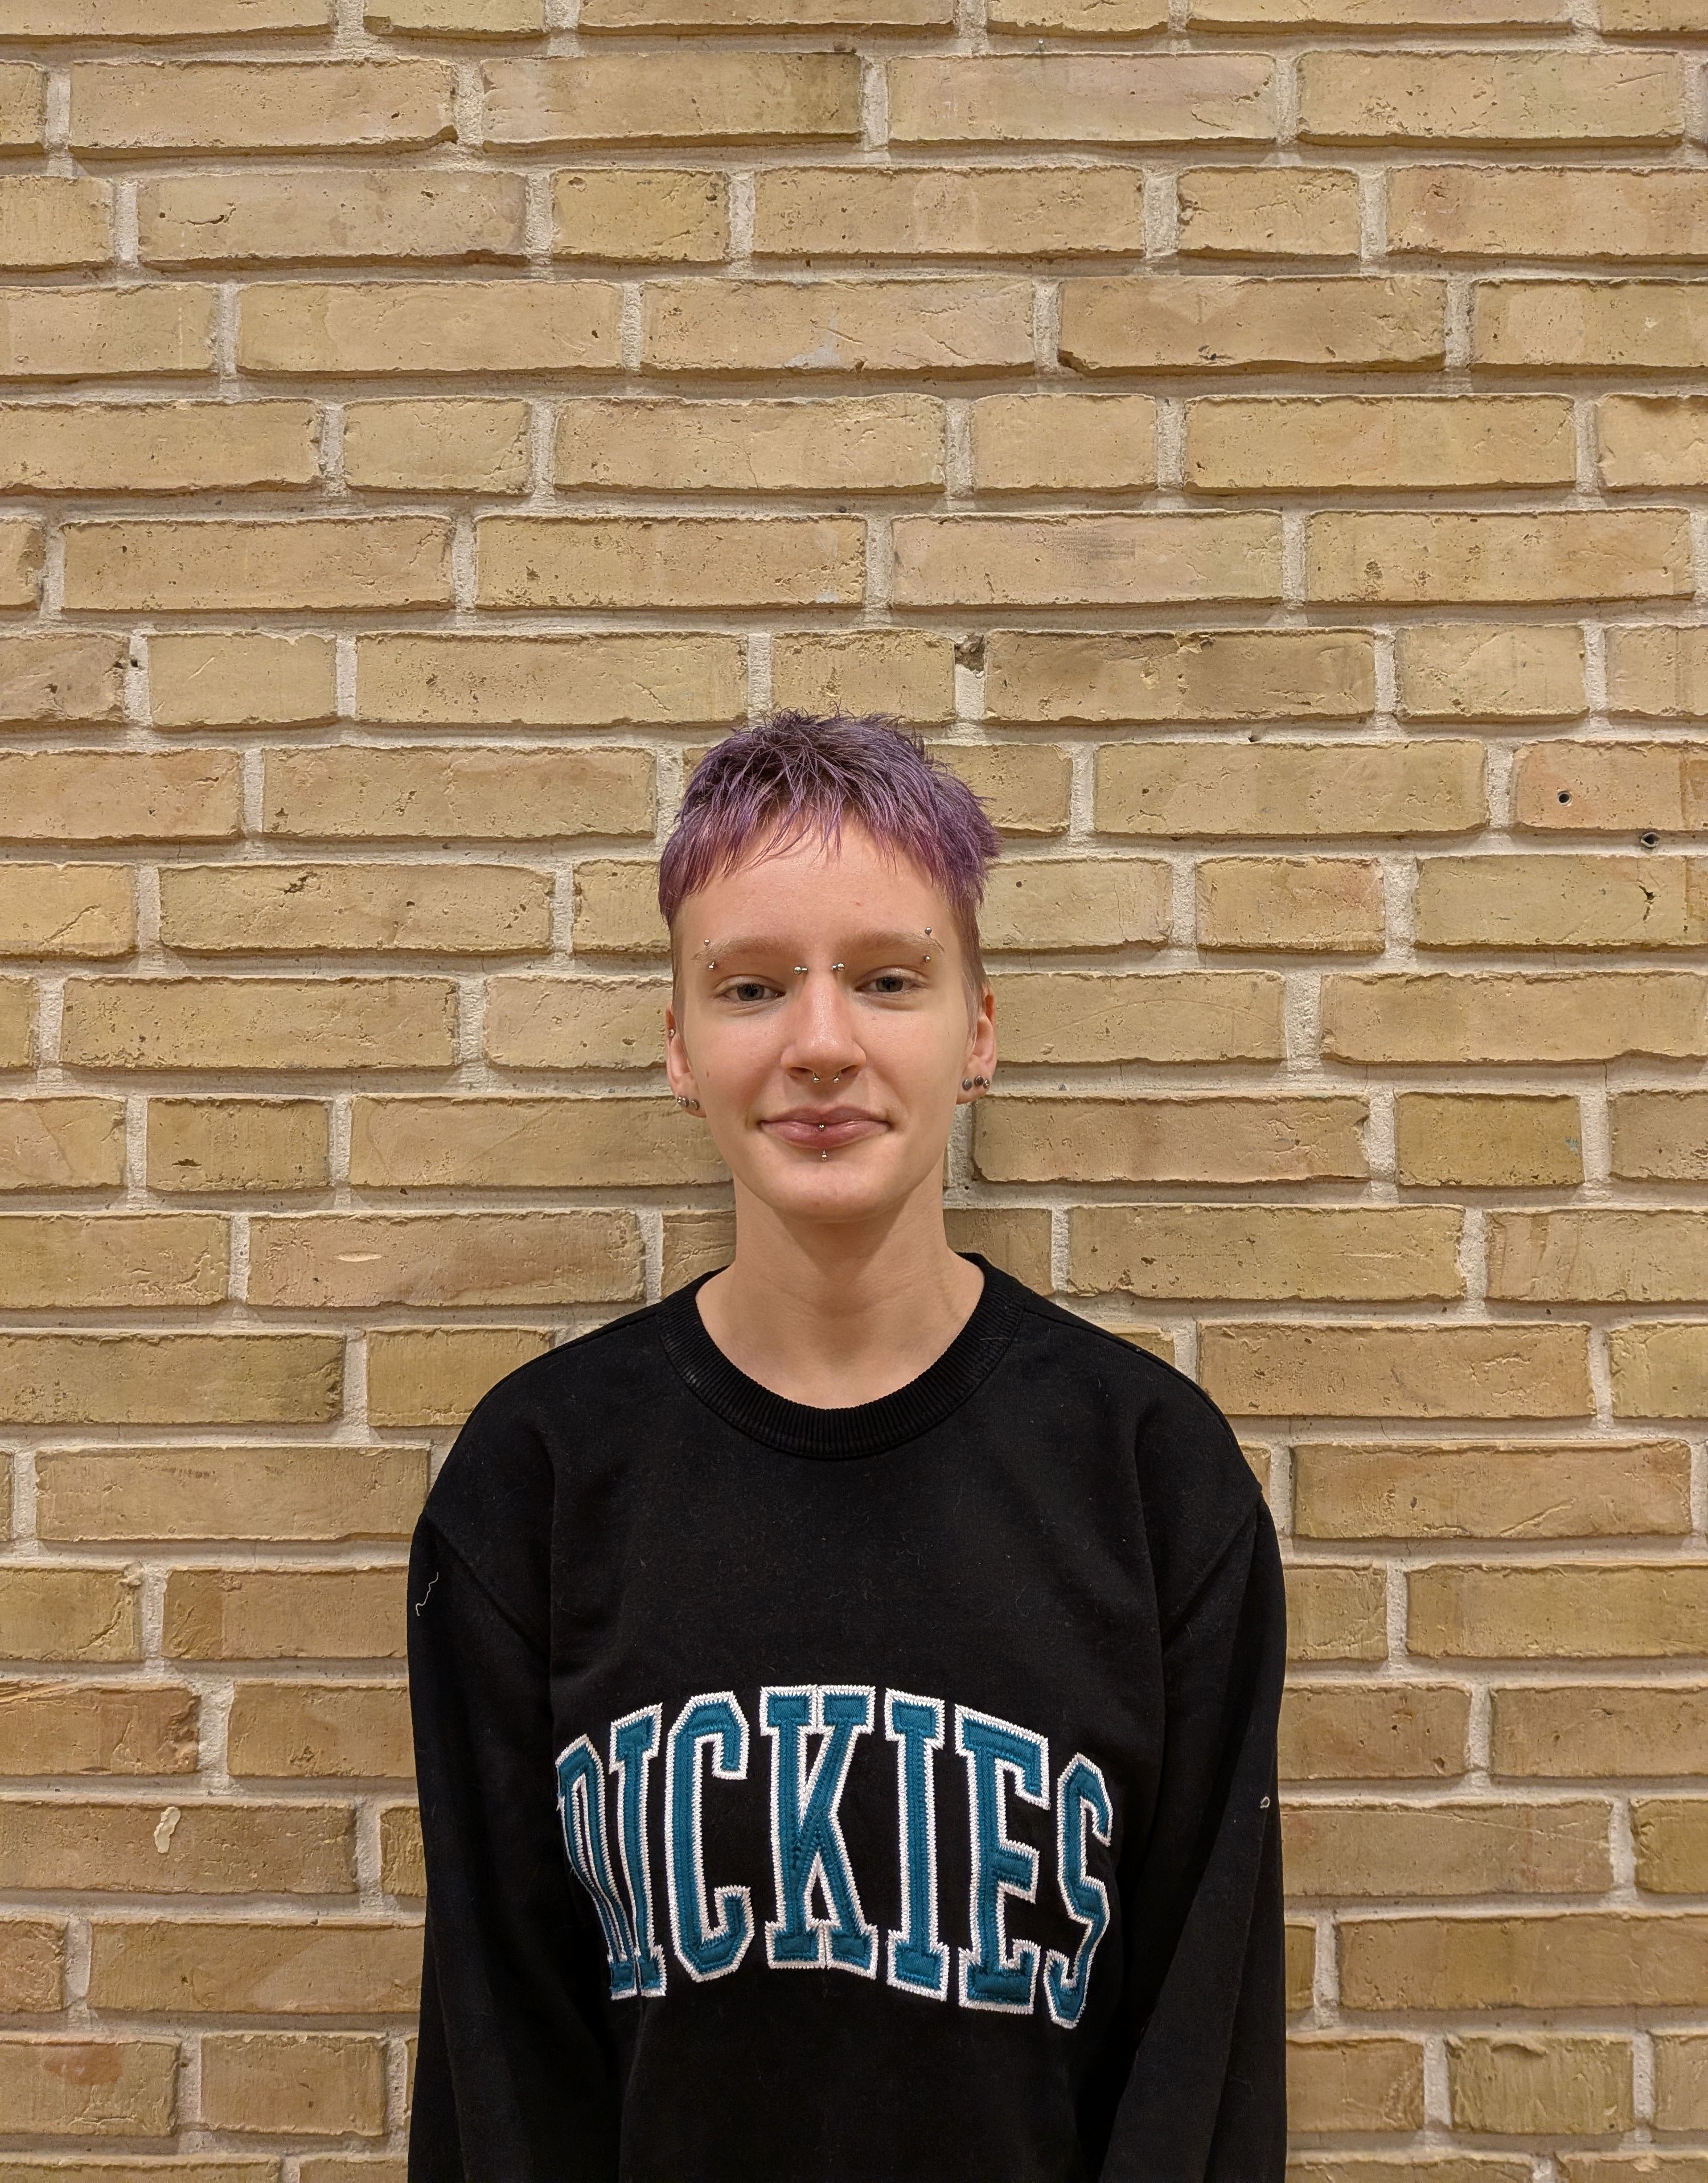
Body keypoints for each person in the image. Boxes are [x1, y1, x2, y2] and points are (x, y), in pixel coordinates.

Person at [404, 710, 1288, 2182]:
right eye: (753, 988)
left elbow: (1201, 2067)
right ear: (681, 1047)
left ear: (977, 1033)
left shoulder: (1152, 1476)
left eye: (886, 979)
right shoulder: (535, 1483)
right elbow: (501, 2065)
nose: (821, 1045)